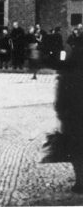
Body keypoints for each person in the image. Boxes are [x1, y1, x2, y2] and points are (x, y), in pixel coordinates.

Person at [43, 46, 83, 192]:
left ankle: (80, 181)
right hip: (74, 116)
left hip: (73, 117)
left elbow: (60, 99)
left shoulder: (67, 75)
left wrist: (61, 113)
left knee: (77, 150)